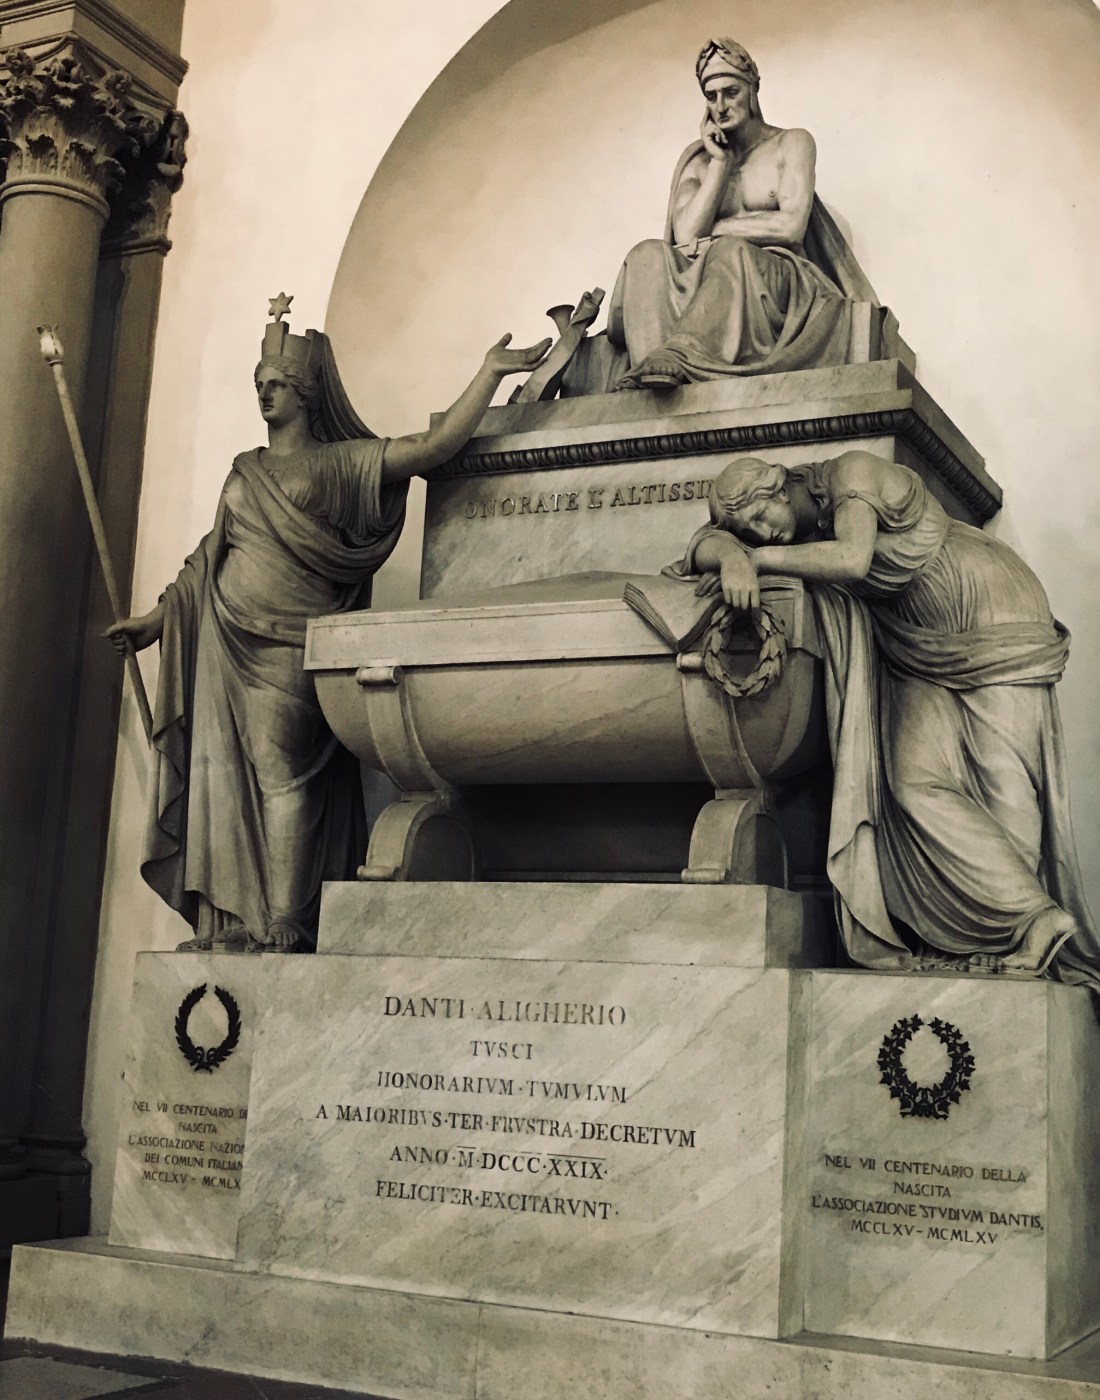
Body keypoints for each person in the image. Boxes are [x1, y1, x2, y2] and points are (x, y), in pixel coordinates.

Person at [106, 303, 549, 952]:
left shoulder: (339, 464)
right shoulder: (245, 468)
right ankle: (237, 918)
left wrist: (488, 374)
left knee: (281, 771)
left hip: (288, 644)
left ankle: (287, 917)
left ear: (305, 393)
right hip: (224, 639)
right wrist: (154, 621)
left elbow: (428, 451)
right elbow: (209, 556)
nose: (264, 393)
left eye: (276, 383)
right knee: (225, 777)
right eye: (259, 382)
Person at [669, 449, 1100, 985]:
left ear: (780, 487)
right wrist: (732, 556)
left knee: (1002, 783)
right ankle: (1029, 917)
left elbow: (852, 559)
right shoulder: (778, 536)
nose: (761, 533)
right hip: (915, 641)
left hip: (991, 609)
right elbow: (700, 545)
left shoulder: (852, 474)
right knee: (913, 783)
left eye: (760, 516)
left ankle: (1025, 932)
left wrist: (754, 560)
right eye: (747, 531)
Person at [608, 38, 877, 391]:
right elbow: (685, 236)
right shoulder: (699, 161)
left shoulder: (791, 143)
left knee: (729, 249)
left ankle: (681, 354)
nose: (720, 106)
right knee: (646, 254)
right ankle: (652, 369)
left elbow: (791, 227)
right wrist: (720, 165)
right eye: (711, 96)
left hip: (779, 280)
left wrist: (721, 229)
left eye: (731, 92)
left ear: (753, 90)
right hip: (709, 274)